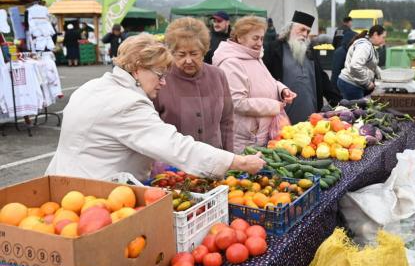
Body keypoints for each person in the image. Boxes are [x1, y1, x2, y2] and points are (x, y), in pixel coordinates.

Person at [46, 33, 264, 182]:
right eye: (159, 75)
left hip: (63, 182)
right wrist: (239, 161)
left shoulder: (93, 86)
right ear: (138, 69)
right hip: (95, 194)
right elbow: (176, 147)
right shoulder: (128, 104)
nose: (163, 82)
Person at [213, 16, 297, 153]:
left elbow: (266, 81)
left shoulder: (254, 56)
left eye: (262, 38)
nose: (259, 43)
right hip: (245, 141)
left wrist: (282, 90)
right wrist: (274, 106)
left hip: (260, 136)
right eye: (255, 38)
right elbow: (237, 102)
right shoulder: (231, 63)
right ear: (240, 38)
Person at [153, 17, 234, 152]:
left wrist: (230, 158)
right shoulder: (160, 79)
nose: (188, 60)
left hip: (214, 160)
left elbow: (227, 121)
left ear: (204, 52)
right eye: (181, 54)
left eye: (194, 53)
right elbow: (152, 128)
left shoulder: (218, 76)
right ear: (171, 53)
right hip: (173, 166)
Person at [263, 10, 341, 124]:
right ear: (290, 29)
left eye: (308, 31)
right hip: (282, 120)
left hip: (311, 119)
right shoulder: (274, 50)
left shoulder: (310, 52)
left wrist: (340, 104)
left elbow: (323, 80)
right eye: (302, 29)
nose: (305, 34)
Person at [337, 25, 386, 100]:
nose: (384, 41)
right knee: (355, 110)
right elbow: (355, 66)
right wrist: (367, 83)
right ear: (375, 34)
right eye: (383, 37)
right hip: (351, 84)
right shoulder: (364, 46)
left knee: (357, 109)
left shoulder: (369, 46)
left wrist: (384, 77)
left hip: (354, 83)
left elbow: (372, 66)